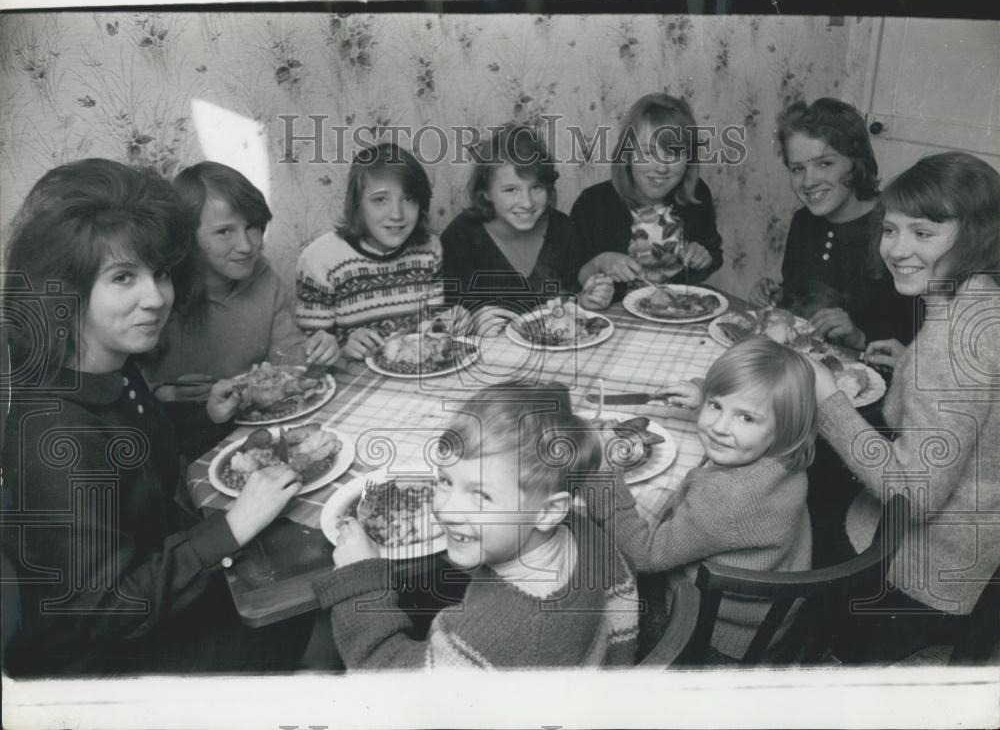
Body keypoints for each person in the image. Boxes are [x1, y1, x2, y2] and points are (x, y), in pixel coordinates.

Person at [1, 159, 311, 675]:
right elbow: (101, 608)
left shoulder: (115, 373)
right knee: (325, 616)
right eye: (123, 277)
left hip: (162, 593)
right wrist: (232, 528)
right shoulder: (55, 429)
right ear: (67, 286)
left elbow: (146, 472)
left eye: (160, 273)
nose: (156, 298)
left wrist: (209, 421)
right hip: (102, 663)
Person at [809, 152, 1000, 663]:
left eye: (922, 233)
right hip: (976, 548)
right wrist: (908, 365)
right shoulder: (980, 302)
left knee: (793, 508)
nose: (897, 249)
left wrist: (827, 402)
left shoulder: (951, 340)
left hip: (920, 569)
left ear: (976, 235)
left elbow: (915, 495)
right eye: (890, 230)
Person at [315, 383, 641, 668]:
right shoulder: (582, 532)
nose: (445, 508)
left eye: (480, 495)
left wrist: (359, 581)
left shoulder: (504, 631)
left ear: (549, 511)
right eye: (445, 480)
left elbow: (391, 683)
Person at [591, 337, 817, 662]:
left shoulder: (725, 499)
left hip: (711, 632)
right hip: (765, 614)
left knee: (596, 587)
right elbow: (744, 408)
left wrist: (604, 475)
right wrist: (704, 393)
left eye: (746, 418)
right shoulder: (785, 456)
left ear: (785, 428)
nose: (719, 428)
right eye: (716, 406)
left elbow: (642, 554)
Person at [144, 161, 338, 456]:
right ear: (187, 235)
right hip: (188, 446)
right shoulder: (161, 295)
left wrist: (320, 352)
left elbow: (290, 363)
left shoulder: (264, 277)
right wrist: (161, 393)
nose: (247, 246)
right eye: (225, 232)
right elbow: (137, 393)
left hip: (262, 432)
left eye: (253, 227)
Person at [750, 98, 914, 349]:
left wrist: (860, 336)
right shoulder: (803, 221)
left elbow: (917, 334)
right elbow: (802, 292)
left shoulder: (896, 228)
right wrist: (779, 296)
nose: (808, 181)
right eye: (797, 169)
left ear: (855, 162)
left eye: (824, 163)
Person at [442, 124, 612, 330]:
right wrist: (472, 323)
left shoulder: (562, 229)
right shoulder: (460, 237)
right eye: (511, 190)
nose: (527, 203)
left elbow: (568, 299)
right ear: (486, 192)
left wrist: (585, 300)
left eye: (536, 187)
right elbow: (445, 318)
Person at [296, 143, 448, 361]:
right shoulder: (318, 261)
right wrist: (343, 350)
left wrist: (449, 322)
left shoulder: (430, 249)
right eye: (380, 200)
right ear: (357, 204)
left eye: (409, 199)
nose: (397, 214)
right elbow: (310, 357)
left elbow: (433, 327)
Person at [573, 92, 723, 303]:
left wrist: (704, 256)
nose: (661, 168)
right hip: (613, 319)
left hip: (679, 312)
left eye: (673, 153)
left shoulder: (697, 194)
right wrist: (600, 262)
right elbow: (572, 277)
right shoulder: (592, 203)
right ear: (627, 154)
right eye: (649, 153)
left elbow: (715, 254)